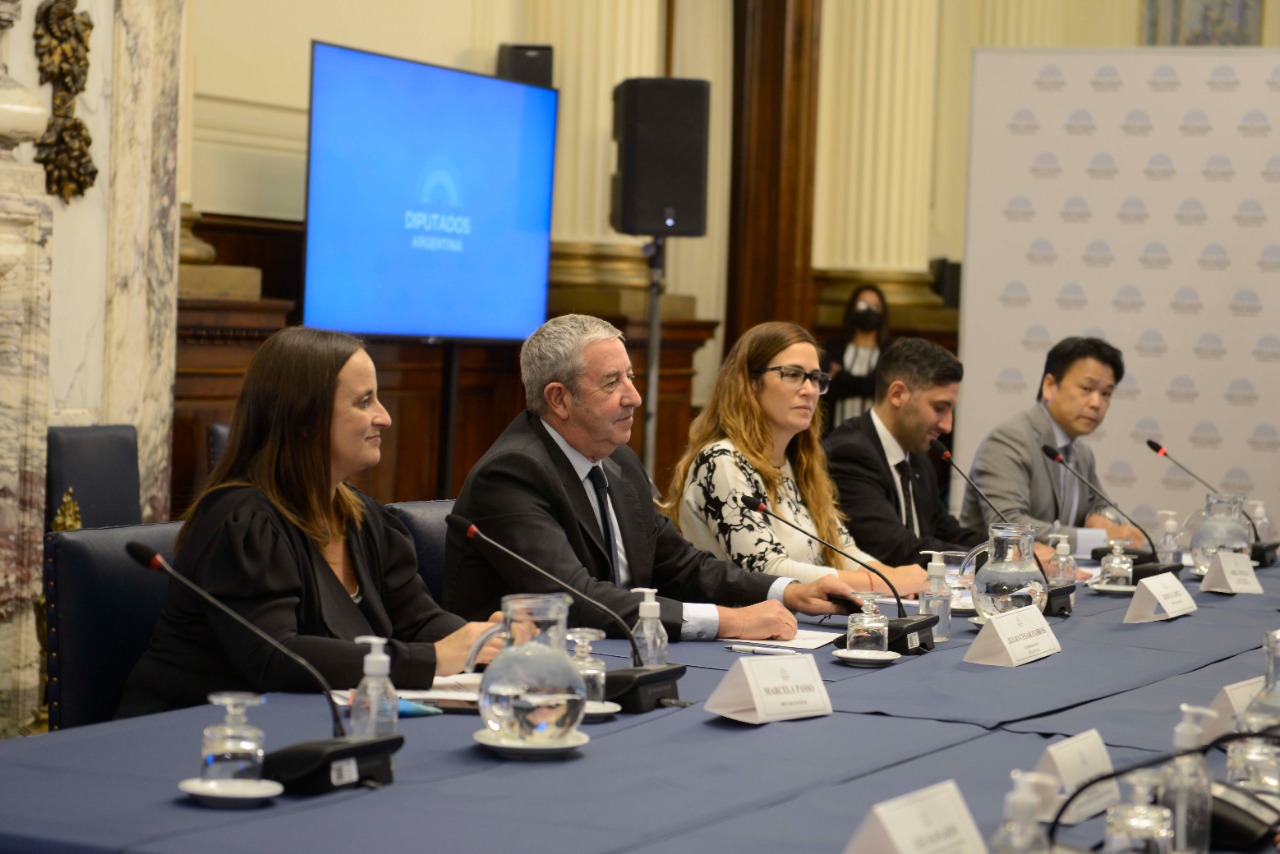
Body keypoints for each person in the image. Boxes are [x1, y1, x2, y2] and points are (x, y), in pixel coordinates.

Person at [117, 327, 499, 717]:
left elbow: (418, 622)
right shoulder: (242, 523)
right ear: (305, 418)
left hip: (300, 728)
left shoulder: (365, 520)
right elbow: (279, 656)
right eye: (365, 401)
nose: (384, 417)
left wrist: (488, 644)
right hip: (191, 736)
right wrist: (431, 660)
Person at [443, 314, 855, 642]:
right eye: (611, 382)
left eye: (631, 377)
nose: (634, 397)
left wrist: (785, 590)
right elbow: (576, 599)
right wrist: (728, 620)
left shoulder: (618, 461)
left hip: (619, 656)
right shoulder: (512, 474)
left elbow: (682, 566)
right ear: (559, 399)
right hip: (522, 681)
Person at [664, 322, 926, 597]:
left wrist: (893, 580)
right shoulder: (721, 461)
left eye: (815, 378)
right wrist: (885, 583)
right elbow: (766, 568)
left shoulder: (798, 463)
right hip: (732, 632)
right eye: (792, 375)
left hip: (795, 628)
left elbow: (844, 549)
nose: (810, 390)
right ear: (750, 383)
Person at [959, 336, 1144, 554]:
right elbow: (1009, 526)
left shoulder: (1081, 453)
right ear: (1049, 386)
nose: (1097, 403)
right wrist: (1100, 538)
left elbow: (1103, 507)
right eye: (1087, 388)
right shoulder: (1008, 441)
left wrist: (1103, 519)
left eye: (1106, 394)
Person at [824, 337, 989, 567]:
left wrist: (1008, 550)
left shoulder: (918, 457)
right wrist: (993, 561)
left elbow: (948, 532)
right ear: (898, 394)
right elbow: (894, 549)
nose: (947, 425)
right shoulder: (849, 453)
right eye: (939, 408)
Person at [821, 284, 890, 434]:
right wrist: (867, 385)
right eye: (862, 305)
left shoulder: (890, 352)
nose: (868, 311)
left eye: (875, 306)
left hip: (875, 437)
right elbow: (826, 389)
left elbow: (882, 390)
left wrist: (841, 377)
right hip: (833, 436)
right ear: (852, 309)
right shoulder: (834, 347)